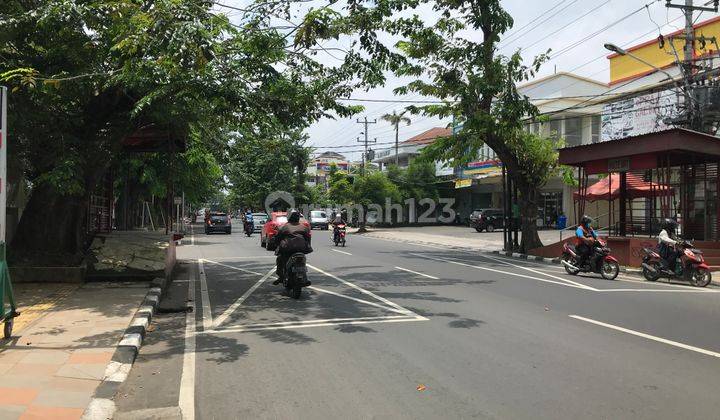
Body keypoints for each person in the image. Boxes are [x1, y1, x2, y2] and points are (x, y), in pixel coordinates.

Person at [273, 209, 312, 285]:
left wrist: (277, 245)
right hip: (301, 248)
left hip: (288, 249)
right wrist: (307, 246)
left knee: (280, 259)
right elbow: (308, 238)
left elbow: (277, 238)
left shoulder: (284, 227)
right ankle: (305, 278)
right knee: (302, 261)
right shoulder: (304, 227)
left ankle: (281, 277)